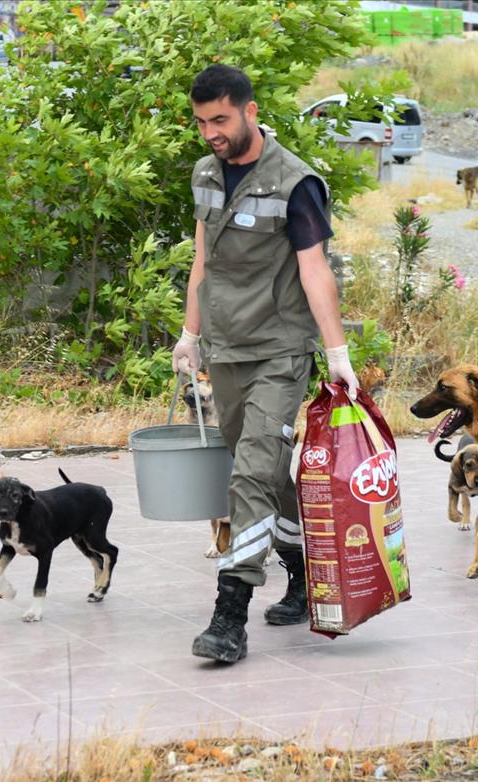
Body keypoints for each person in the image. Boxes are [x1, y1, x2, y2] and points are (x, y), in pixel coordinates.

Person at [177, 64, 359, 664]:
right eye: (203, 122)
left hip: (280, 352)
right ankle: (303, 568)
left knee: (251, 475)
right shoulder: (206, 173)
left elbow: (315, 271)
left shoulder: (294, 183)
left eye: (221, 120)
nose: (211, 133)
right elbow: (203, 262)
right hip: (225, 348)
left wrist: (336, 355)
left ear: (250, 112)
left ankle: (230, 615)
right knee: (267, 473)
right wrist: (188, 335)